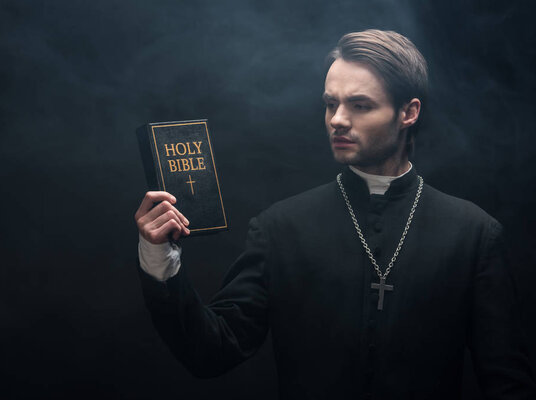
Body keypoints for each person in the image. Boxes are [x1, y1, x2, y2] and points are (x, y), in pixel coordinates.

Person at [134, 30, 536, 399]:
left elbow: (508, 386)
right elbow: (211, 353)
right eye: (331, 104)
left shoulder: (474, 234)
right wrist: (159, 259)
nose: (338, 120)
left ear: (408, 112)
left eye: (360, 105)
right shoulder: (281, 228)